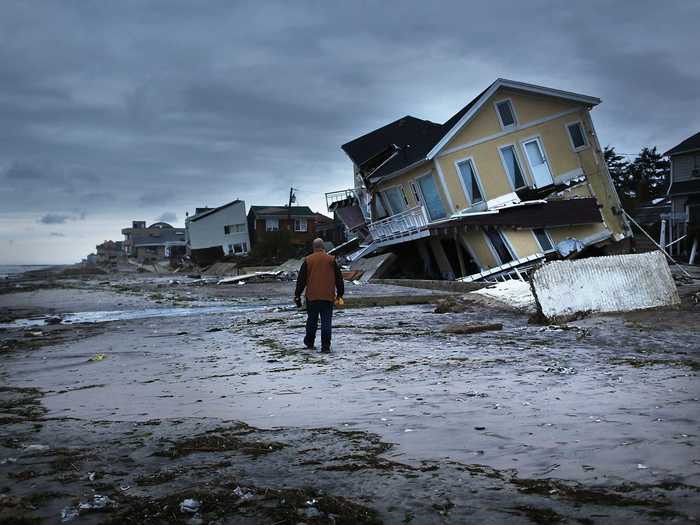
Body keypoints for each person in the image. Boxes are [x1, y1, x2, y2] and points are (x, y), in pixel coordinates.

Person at [294, 238, 344, 353]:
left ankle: (310, 343)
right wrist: (340, 294)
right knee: (326, 321)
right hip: (328, 296)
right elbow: (339, 279)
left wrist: (297, 295)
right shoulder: (331, 260)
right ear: (323, 247)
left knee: (312, 320)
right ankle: (325, 346)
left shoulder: (308, 260)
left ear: (313, 247)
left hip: (312, 296)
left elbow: (301, 280)